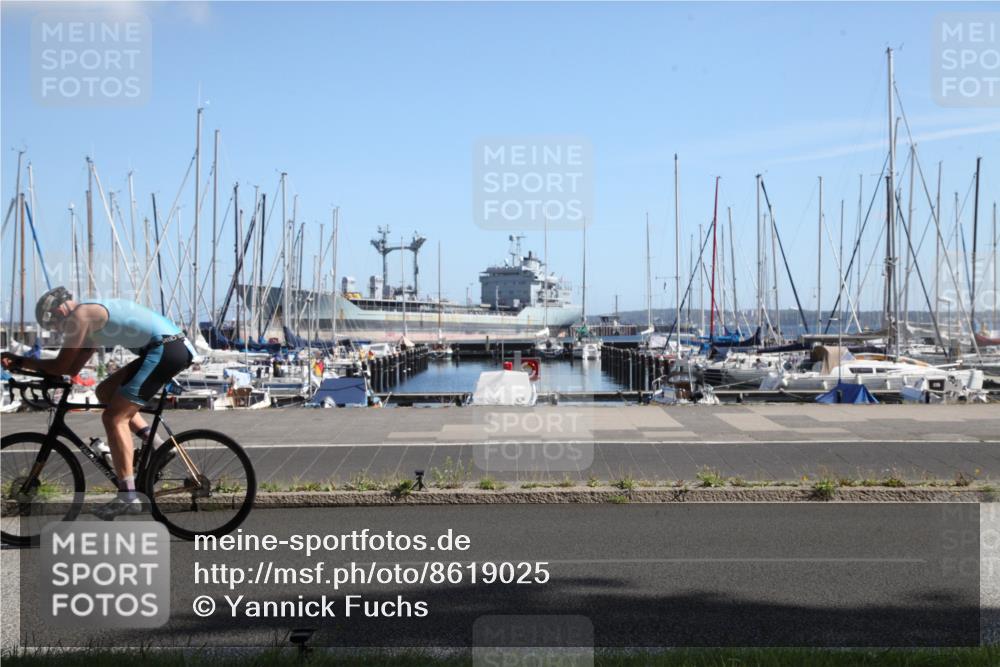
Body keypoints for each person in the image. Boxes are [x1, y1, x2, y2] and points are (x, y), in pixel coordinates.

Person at [1, 287, 196, 519]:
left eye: (53, 323)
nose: (58, 329)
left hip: (166, 348)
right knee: (104, 392)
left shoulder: (81, 315)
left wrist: (20, 361)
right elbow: (72, 369)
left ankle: (128, 496)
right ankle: (158, 448)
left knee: (114, 418)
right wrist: (33, 371)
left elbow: (61, 365)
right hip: (167, 347)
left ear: (60, 309)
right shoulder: (89, 321)